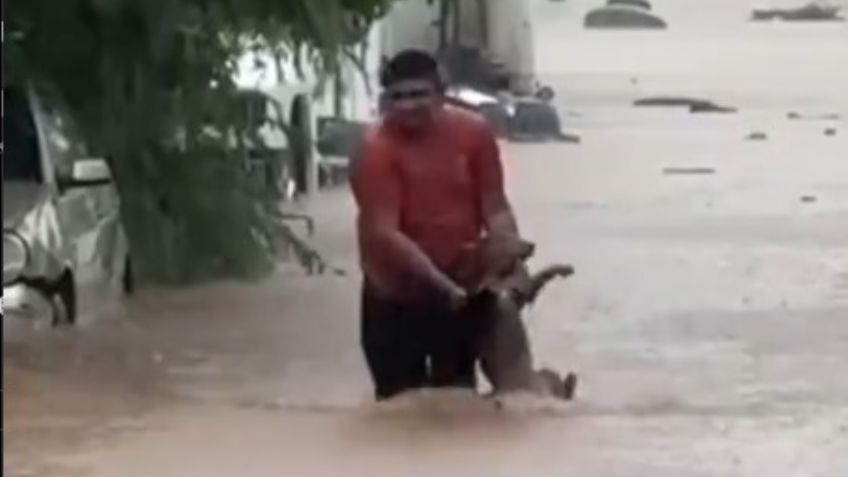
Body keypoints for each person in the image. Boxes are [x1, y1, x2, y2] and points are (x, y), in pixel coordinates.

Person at [350, 50, 526, 400]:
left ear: (442, 93)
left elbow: (494, 206)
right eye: (398, 97)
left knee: (458, 401)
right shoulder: (376, 149)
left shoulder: (474, 133)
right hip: (395, 297)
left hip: (461, 285)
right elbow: (386, 235)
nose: (408, 106)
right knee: (399, 407)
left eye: (419, 94)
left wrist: (508, 253)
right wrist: (443, 287)